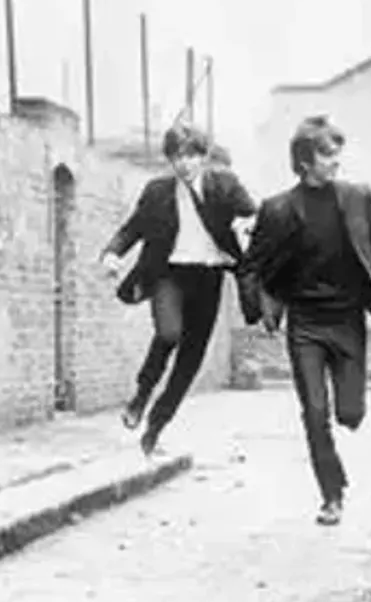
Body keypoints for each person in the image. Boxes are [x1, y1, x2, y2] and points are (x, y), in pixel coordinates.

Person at [238, 117, 371, 526]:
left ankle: (344, 440)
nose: (336, 163)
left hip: (347, 320)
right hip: (305, 323)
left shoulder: (358, 196)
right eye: (327, 155)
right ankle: (331, 495)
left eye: (336, 154)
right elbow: (250, 266)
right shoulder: (277, 209)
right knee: (313, 412)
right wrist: (259, 311)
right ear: (305, 162)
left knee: (350, 413)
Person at [99, 124, 256, 456]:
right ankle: (141, 395)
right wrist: (113, 253)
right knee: (169, 333)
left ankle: (156, 425)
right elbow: (132, 229)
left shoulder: (224, 185)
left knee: (189, 362)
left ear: (203, 157)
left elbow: (251, 214)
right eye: (177, 157)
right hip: (169, 274)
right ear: (170, 159)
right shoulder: (157, 191)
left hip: (209, 277)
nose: (184, 164)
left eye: (191, 156)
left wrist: (247, 225)